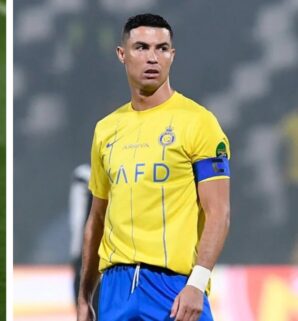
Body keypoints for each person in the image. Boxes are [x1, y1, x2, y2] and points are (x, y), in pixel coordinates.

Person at [76, 14, 230, 321]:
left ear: (173, 55)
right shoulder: (106, 130)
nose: (152, 58)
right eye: (141, 47)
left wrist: (196, 284)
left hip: (173, 288)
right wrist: (84, 296)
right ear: (122, 54)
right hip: (116, 290)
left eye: (162, 49)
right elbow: (97, 218)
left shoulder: (198, 122)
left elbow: (219, 212)